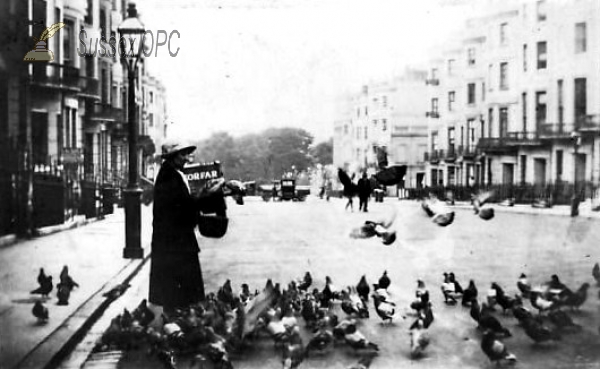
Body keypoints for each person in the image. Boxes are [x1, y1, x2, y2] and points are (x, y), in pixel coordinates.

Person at [149, 140, 226, 315]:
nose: (186, 158)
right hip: (174, 241)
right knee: (179, 286)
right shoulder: (169, 177)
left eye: (186, 154)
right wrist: (206, 196)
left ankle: (178, 315)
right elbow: (182, 207)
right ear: (172, 157)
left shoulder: (174, 173)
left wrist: (204, 196)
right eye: (182, 154)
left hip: (175, 239)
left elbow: (185, 204)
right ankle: (178, 318)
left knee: (177, 286)